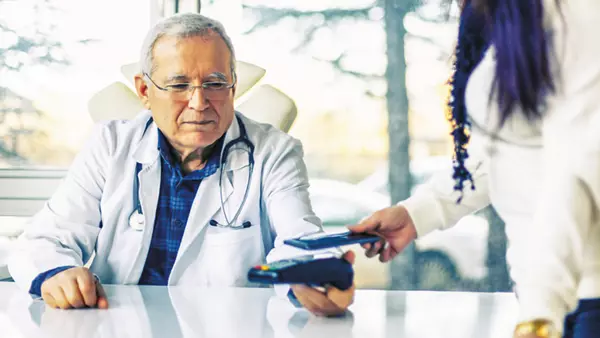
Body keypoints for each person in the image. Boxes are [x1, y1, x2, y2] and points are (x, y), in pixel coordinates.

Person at [7, 13, 354, 317]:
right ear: (144, 91)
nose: (199, 102)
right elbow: (47, 239)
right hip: (116, 323)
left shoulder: (274, 152)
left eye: (215, 84)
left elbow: (301, 236)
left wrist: (313, 276)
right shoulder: (110, 144)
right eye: (179, 85)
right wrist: (56, 273)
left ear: (233, 87)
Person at [349, 0, 600, 337]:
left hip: (579, 300)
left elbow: (574, 171)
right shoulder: (519, 19)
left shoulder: (583, 22)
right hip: (549, 297)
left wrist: (541, 311)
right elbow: (500, 154)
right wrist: (416, 213)